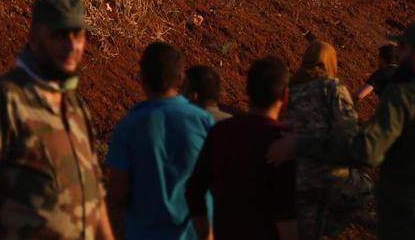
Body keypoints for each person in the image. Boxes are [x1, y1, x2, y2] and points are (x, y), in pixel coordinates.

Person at [269, 20, 415, 240]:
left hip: (410, 227)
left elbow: (367, 151)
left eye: (402, 48)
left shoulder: (403, 97)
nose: (397, 55)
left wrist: (301, 144)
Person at [0, 0, 114, 240]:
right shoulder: (3, 100)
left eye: (77, 35)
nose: (71, 46)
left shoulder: (76, 107)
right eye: (60, 36)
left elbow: (95, 200)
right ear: (34, 38)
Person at [106, 42, 214, 240]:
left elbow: (117, 193)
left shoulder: (127, 126)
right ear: (181, 79)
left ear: (142, 79)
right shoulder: (203, 122)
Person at [186, 56, 298, 240]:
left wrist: (206, 234)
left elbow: (194, 190)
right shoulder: (285, 143)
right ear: (285, 95)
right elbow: (286, 215)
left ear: (247, 90)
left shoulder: (220, 131)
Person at [284, 41, 362, 240]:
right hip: (326, 174)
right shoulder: (333, 88)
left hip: (291, 172)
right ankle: (330, 231)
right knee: (365, 190)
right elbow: (348, 132)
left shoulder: (291, 89)